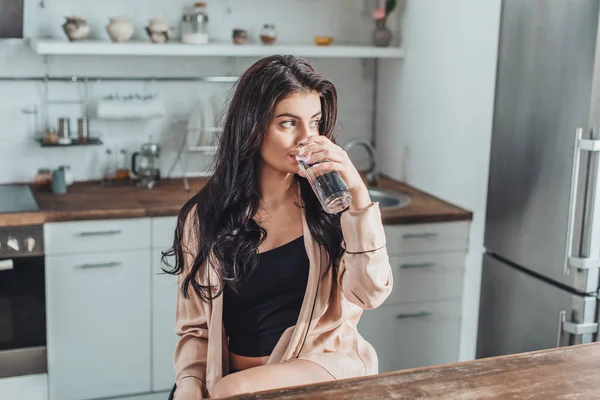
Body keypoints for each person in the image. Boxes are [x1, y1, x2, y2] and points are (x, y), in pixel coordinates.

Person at [163, 54, 392, 400]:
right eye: (288, 123)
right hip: (232, 383)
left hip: (321, 365)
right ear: (252, 128)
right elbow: (196, 330)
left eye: (314, 123)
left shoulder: (332, 208)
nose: (306, 138)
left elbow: (370, 293)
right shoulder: (204, 216)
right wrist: (189, 387)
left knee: (230, 389)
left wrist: (358, 194)